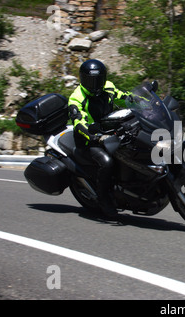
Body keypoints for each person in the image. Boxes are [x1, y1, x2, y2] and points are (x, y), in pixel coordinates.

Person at [68, 59, 131, 218]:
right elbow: (78, 123)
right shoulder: (76, 98)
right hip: (88, 142)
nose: (95, 84)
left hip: (110, 133)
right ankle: (104, 200)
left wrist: (147, 103)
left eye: (98, 80)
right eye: (90, 80)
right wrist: (94, 137)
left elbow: (125, 97)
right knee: (107, 162)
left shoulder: (108, 87)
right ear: (82, 79)